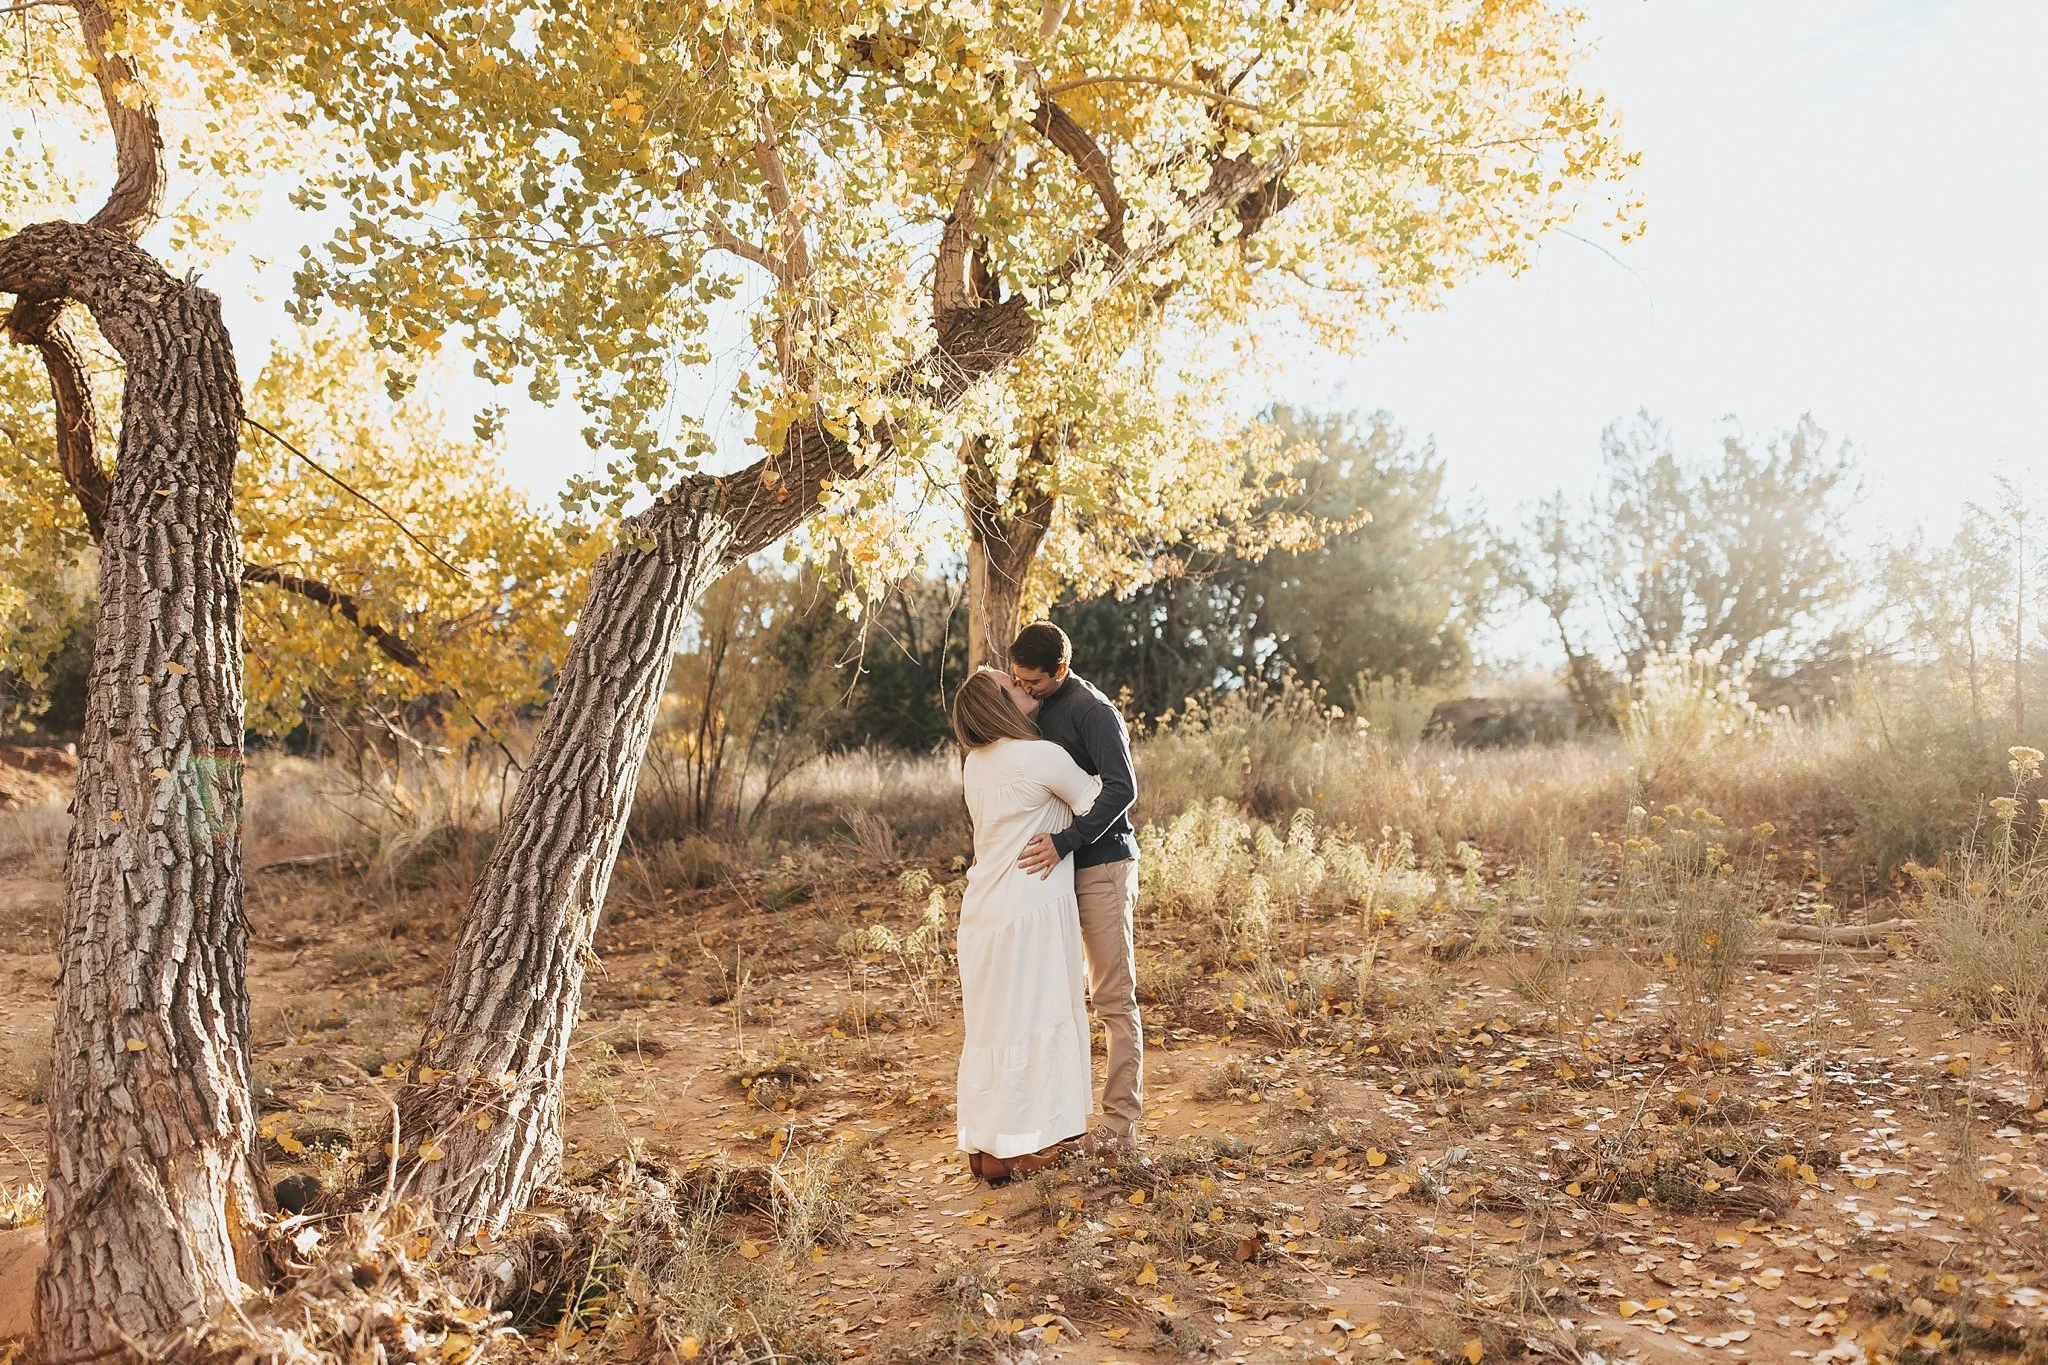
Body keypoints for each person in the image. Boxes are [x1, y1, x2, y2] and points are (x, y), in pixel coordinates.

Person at [951, 667, 1104, 1183]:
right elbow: (1094, 798)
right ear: (1000, 705)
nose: (1025, 686)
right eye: (1012, 686)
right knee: (1035, 1019)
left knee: (994, 1029)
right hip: (1030, 912)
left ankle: (986, 1146)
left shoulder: (974, 764)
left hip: (982, 914)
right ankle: (1018, 1151)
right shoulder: (1041, 757)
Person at [1007, 621, 1143, 1153]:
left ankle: (1120, 1125)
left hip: (1102, 867)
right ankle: (1064, 1117)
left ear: (1060, 670)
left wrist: (1069, 840)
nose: (1026, 691)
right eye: (1018, 681)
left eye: (1033, 683)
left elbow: (1124, 787)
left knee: (1112, 997)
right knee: (1064, 998)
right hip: (1061, 874)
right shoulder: (1036, 700)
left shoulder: (1092, 711)